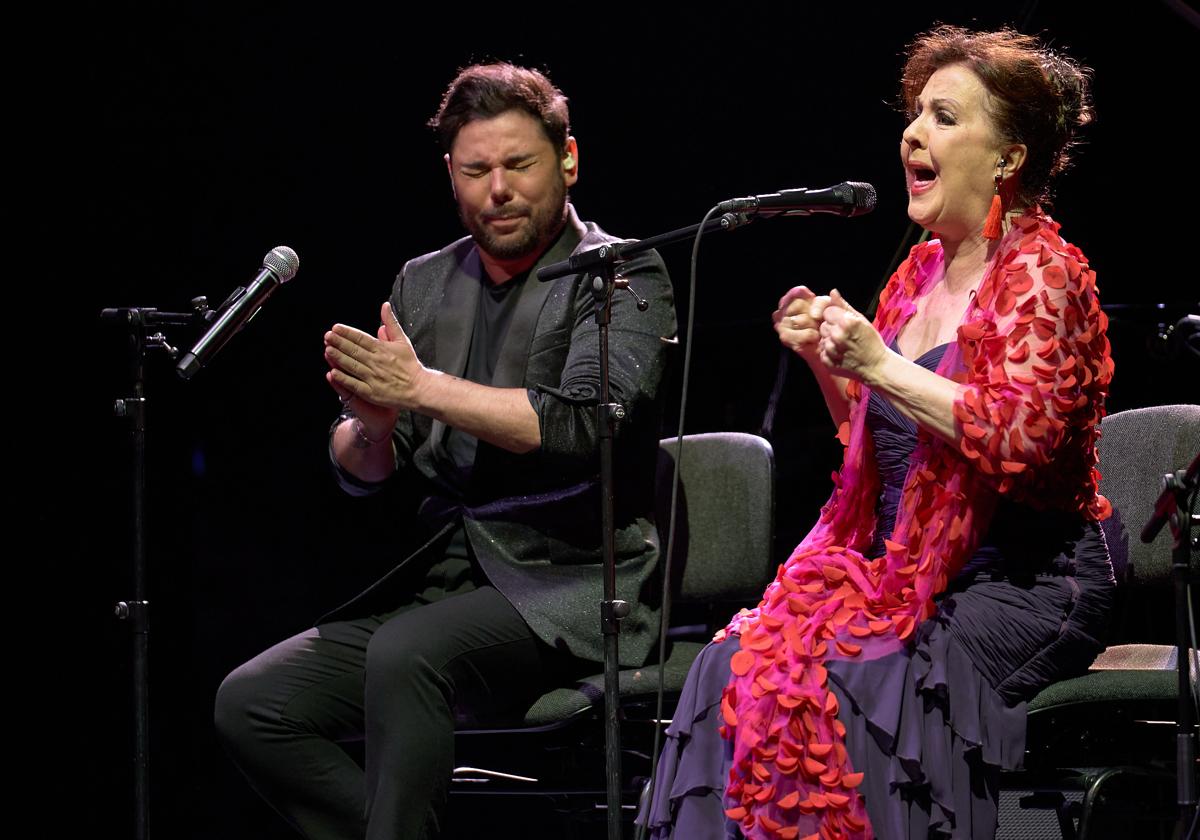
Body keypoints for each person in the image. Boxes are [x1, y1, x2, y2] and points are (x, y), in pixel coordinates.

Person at [640, 26, 1113, 840]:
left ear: (1007, 157)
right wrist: (835, 366)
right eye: (914, 114)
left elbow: (1018, 441)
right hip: (901, 565)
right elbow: (876, 447)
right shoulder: (917, 274)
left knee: (861, 672)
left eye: (943, 116)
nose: (912, 133)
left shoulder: (1045, 275)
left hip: (1023, 577)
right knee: (737, 662)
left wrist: (881, 365)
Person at [214, 63, 676, 839]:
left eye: (519, 165)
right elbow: (366, 474)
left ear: (568, 161)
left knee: (406, 654)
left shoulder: (623, 272)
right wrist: (371, 424)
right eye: (476, 170)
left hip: (570, 585)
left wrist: (420, 388)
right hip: (440, 582)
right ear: (451, 177)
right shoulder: (423, 284)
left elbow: (582, 426)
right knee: (255, 703)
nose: (498, 188)